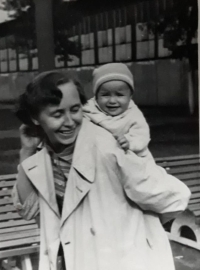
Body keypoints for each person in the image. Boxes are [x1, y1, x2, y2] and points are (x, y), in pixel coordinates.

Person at [12, 71, 190, 270]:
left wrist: (134, 230)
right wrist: (26, 151)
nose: (70, 121)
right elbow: (29, 210)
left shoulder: (107, 148)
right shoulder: (44, 154)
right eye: (57, 114)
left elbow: (175, 197)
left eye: (75, 109)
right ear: (35, 118)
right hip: (73, 258)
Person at [83, 63, 150, 156]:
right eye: (105, 95)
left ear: (130, 96)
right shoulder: (89, 111)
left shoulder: (133, 114)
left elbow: (141, 135)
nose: (112, 101)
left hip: (129, 159)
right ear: (96, 96)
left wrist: (129, 142)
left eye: (119, 95)